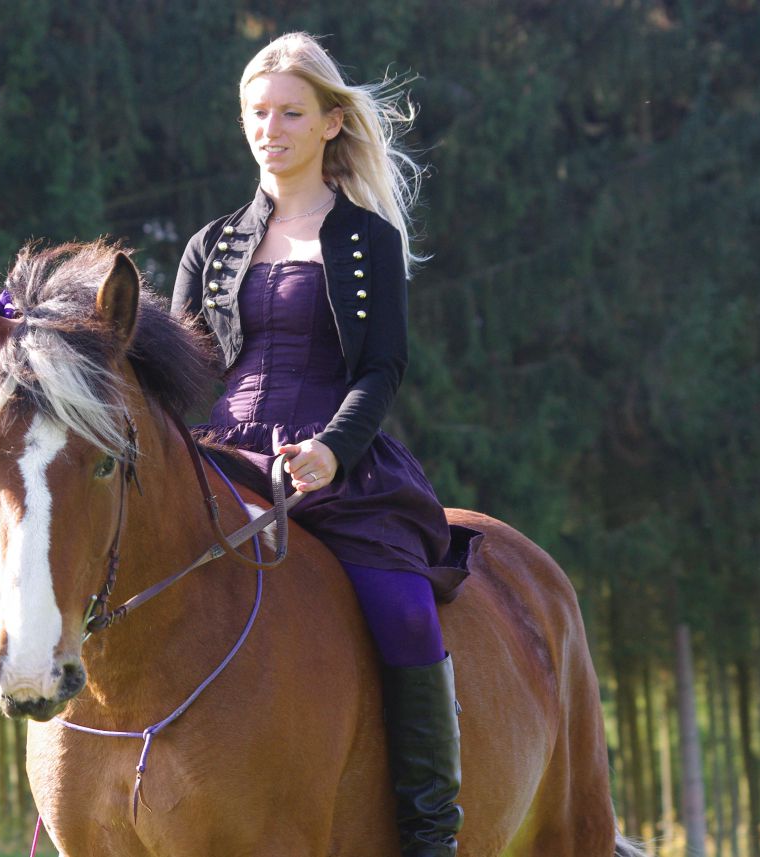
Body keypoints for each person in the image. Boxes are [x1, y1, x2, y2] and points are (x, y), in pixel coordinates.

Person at [172, 32, 470, 857]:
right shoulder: (208, 246)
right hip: (223, 462)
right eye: (256, 113)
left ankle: (429, 835)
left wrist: (333, 449)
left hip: (338, 467)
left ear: (331, 122)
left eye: (290, 113)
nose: (269, 129)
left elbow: (381, 369)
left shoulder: (369, 239)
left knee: (405, 614)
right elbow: (178, 372)